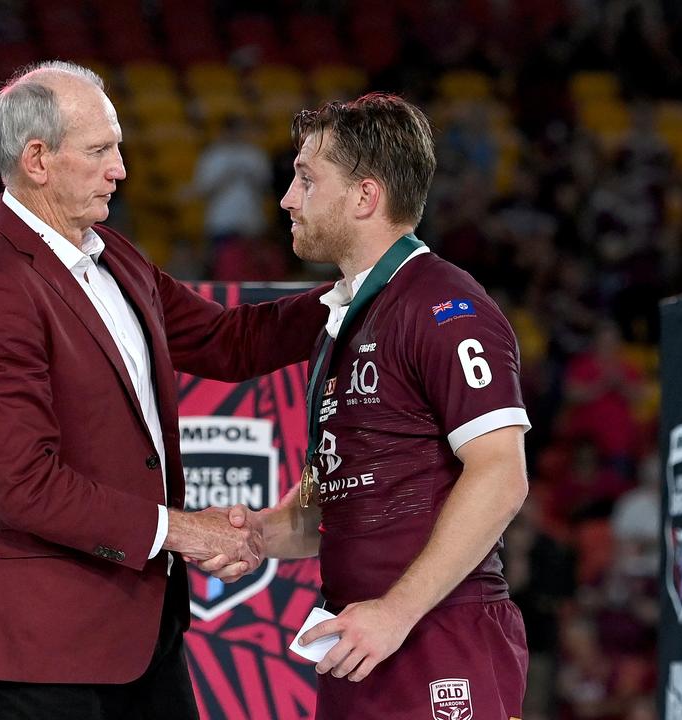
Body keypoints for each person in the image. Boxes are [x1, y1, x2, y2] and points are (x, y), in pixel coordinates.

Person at [0, 61, 324, 720]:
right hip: (47, 656)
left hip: (145, 640)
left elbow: (231, 342)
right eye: (100, 150)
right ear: (37, 160)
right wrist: (183, 532)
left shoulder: (113, 255)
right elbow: (25, 485)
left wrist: (357, 295)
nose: (120, 169)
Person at [205, 93, 531, 720]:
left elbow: (501, 472)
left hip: (437, 640)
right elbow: (346, 491)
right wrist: (255, 533)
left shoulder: (444, 305)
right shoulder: (342, 318)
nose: (287, 199)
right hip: (359, 642)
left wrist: (397, 612)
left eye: (305, 179)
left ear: (364, 197)